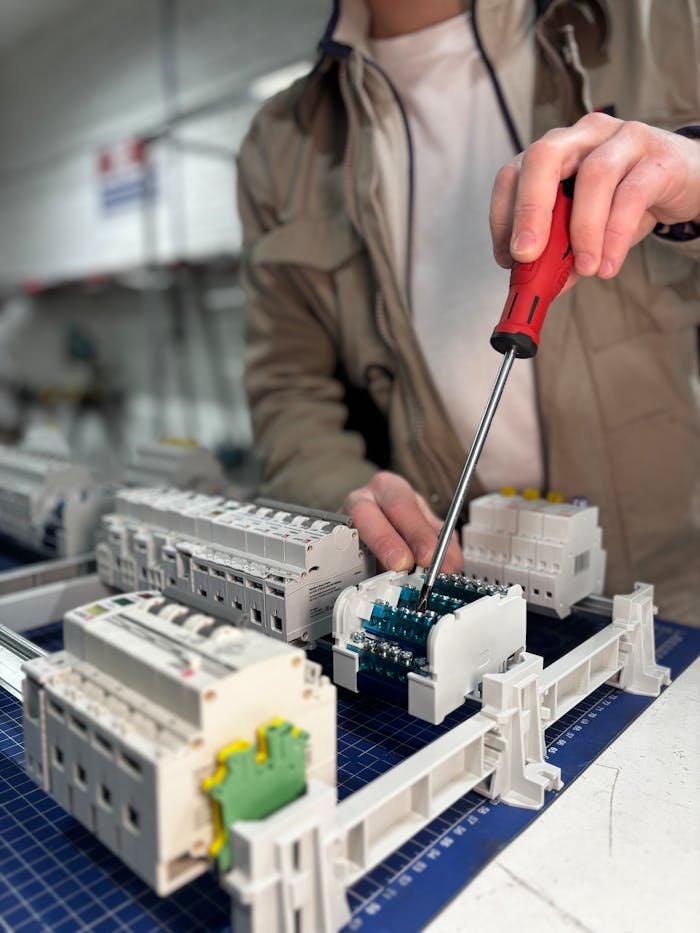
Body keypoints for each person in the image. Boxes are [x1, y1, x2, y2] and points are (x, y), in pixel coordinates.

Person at [238, 0, 700, 624]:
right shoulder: (281, 142)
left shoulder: (660, 21)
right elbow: (289, 390)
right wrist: (337, 499)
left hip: (674, 586)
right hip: (461, 596)